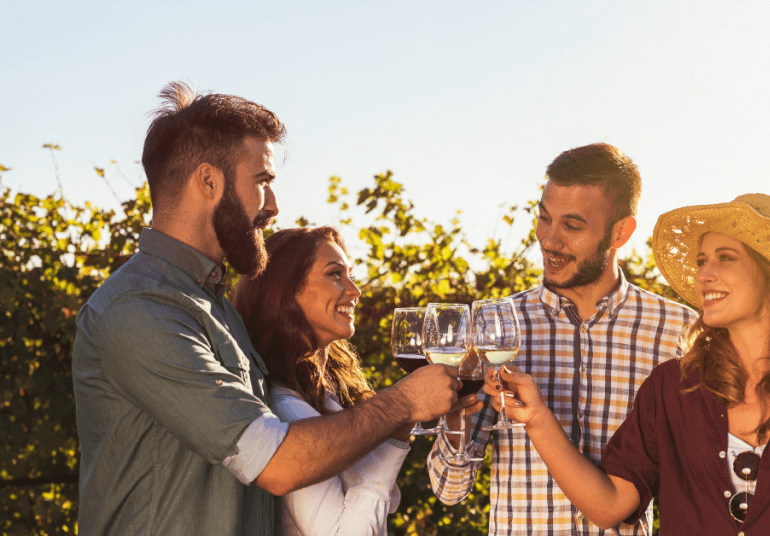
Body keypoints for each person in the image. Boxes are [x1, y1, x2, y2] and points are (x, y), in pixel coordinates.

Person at [72, 82, 472, 536]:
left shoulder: (212, 305)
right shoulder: (140, 309)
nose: (274, 206)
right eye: (262, 182)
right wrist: (402, 403)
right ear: (208, 182)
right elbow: (276, 462)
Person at [490, 194, 770, 535]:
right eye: (701, 261)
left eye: (724, 258)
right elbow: (609, 507)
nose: (702, 276)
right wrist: (538, 419)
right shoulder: (672, 389)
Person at [427, 143, 698, 535]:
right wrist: (456, 413)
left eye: (572, 226)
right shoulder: (495, 324)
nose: (550, 240)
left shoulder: (676, 331)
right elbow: (449, 489)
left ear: (621, 232)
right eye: (543, 218)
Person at [233, 226, 450, 535]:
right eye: (335, 274)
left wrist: (402, 420)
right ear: (284, 291)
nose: (354, 290)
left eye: (351, 275)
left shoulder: (326, 393)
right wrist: (403, 406)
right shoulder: (285, 410)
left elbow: (381, 502)